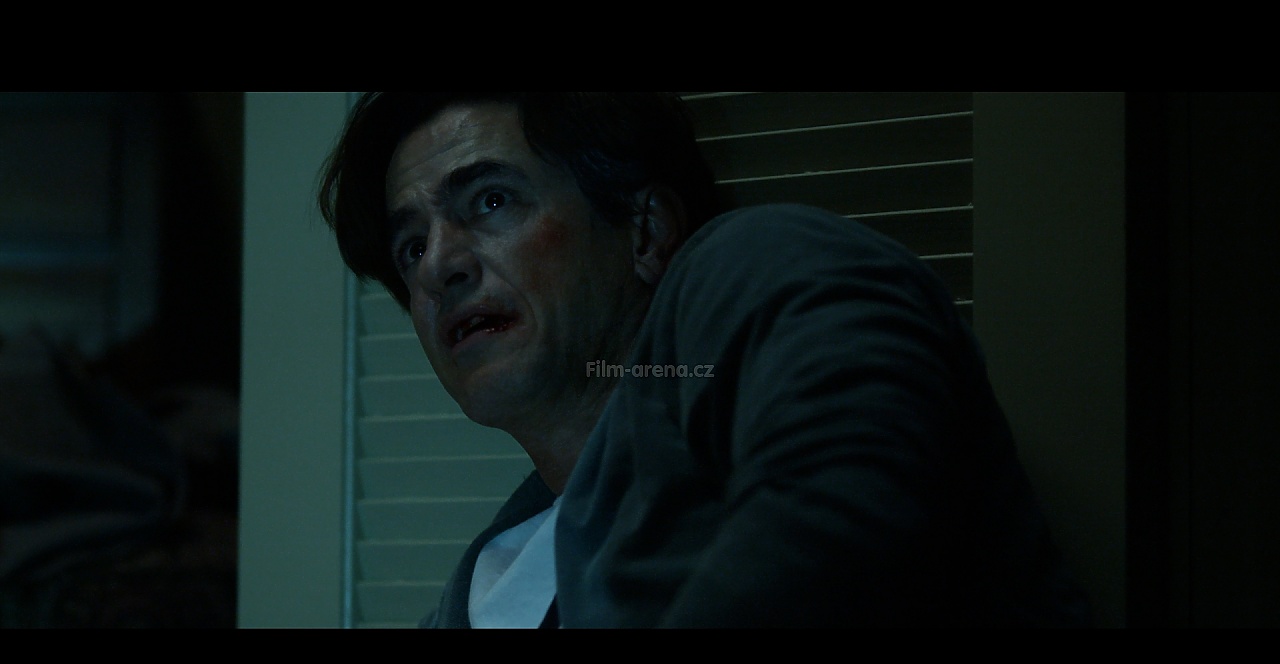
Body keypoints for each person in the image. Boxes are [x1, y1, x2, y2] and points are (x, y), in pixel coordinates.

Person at [317, 92, 1092, 628]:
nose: (437, 266)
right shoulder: (486, 579)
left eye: (490, 201)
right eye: (410, 245)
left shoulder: (756, 264)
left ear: (648, 232)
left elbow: (847, 512)